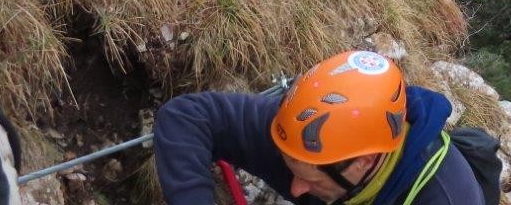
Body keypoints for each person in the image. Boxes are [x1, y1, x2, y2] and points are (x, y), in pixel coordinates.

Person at [153, 50, 483, 205]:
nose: (294, 189)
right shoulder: (314, 138)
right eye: (293, 169)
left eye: (308, 179)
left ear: (363, 161)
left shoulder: (448, 198)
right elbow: (188, 117)